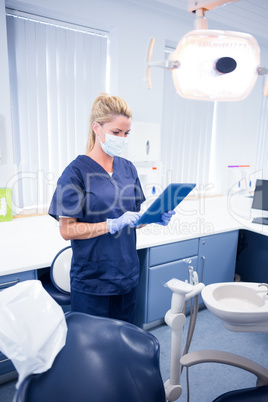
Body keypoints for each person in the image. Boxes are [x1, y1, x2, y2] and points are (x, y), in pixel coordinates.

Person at [49, 93, 174, 323]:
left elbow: (132, 219)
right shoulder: (75, 172)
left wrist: (153, 216)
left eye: (126, 133)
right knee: (92, 352)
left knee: (123, 345)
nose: (122, 138)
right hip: (92, 282)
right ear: (97, 128)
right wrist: (110, 224)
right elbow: (67, 230)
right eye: (116, 132)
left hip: (126, 276)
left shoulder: (128, 169)